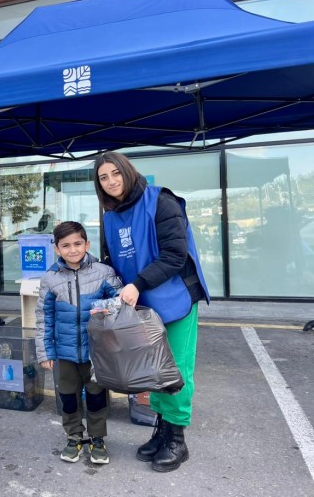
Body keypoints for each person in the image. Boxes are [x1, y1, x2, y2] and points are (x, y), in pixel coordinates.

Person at [93, 152, 209, 473]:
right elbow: (110, 260)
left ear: (128, 172)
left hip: (175, 299)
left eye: (116, 173)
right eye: (104, 177)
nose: (111, 181)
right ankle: (162, 430)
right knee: (153, 369)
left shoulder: (161, 201)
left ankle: (177, 439)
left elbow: (175, 254)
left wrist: (137, 283)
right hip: (142, 305)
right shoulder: (110, 214)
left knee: (176, 370)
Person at [34, 221, 121, 465]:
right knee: (68, 397)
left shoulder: (104, 272)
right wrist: (45, 352)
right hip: (63, 353)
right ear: (57, 249)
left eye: (77, 243)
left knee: (96, 396)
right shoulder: (50, 278)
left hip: (96, 353)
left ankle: (97, 438)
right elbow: (43, 317)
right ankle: (74, 436)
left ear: (87, 244)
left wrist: (101, 309)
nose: (72, 249)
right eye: (66, 245)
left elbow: (119, 302)